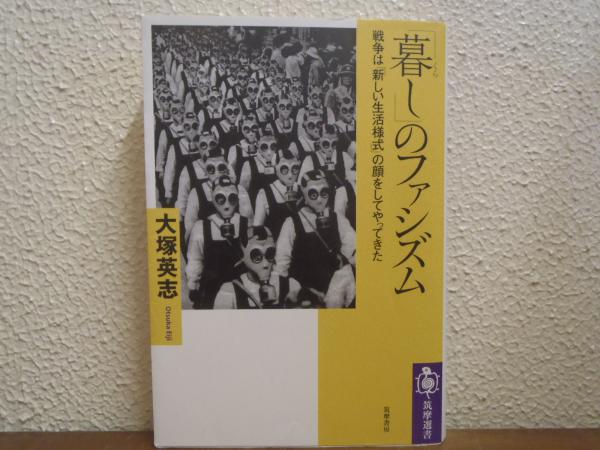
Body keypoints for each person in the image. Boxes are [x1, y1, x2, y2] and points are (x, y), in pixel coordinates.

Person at [275, 170, 355, 298]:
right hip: (305, 293)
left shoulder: (337, 218)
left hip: (335, 291)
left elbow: (353, 249)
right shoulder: (292, 223)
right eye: (313, 194)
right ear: (304, 193)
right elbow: (281, 262)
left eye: (324, 193)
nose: (319, 200)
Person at [186, 175, 249, 309]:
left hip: (239, 288)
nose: (226, 205)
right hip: (211, 288)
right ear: (213, 198)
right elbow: (195, 259)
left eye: (231, 198)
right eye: (221, 199)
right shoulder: (201, 227)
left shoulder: (245, 224)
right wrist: (193, 284)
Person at [213, 226, 302, 309]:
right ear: (242, 255)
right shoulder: (229, 291)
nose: (265, 264)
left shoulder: (291, 286)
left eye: (269, 254)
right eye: (256, 256)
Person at [184, 149, 253, 242]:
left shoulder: (239, 190)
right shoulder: (196, 192)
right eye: (211, 169)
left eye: (221, 168)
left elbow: (248, 223)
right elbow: (190, 225)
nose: (217, 173)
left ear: (227, 168)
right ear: (205, 172)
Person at [254, 149, 302, 240]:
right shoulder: (265, 193)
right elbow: (258, 228)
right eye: (284, 169)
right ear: (276, 168)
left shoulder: (302, 190)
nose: (290, 175)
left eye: (294, 169)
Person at [299, 124, 354, 191]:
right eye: (326, 144)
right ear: (319, 141)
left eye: (333, 144)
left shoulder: (343, 156)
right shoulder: (309, 160)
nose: (330, 149)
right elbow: (301, 185)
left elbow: (351, 179)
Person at [163, 112, 202, 207]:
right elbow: (169, 171)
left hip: (198, 188)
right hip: (180, 189)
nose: (191, 131)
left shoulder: (203, 143)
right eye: (187, 127)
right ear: (182, 127)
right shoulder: (175, 147)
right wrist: (168, 192)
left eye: (194, 126)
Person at [239, 133, 279, 208]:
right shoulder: (249, 164)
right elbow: (243, 191)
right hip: (256, 206)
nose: (269, 151)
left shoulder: (280, 161)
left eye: (272, 147)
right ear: (257, 145)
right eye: (264, 147)